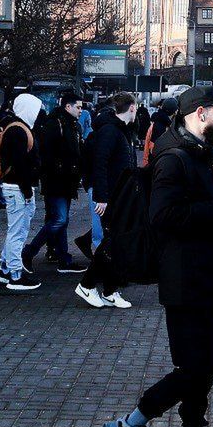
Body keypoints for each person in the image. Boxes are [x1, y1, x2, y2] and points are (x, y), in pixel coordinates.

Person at [101, 85, 213, 427]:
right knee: (192, 368)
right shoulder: (174, 158)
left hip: (206, 277)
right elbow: (163, 215)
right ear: (199, 114)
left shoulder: (198, 154)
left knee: (205, 367)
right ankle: (130, 424)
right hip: (186, 279)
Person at [76, 93, 139, 310]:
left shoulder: (117, 130)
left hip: (118, 193)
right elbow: (100, 163)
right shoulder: (111, 131)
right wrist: (101, 197)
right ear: (131, 108)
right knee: (112, 241)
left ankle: (109, 289)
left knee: (116, 240)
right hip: (111, 194)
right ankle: (89, 285)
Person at [23, 91, 85, 275]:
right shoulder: (56, 123)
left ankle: (64, 259)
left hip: (65, 179)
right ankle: (29, 252)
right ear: (68, 106)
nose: (81, 110)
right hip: (57, 179)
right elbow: (47, 153)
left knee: (60, 220)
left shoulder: (70, 124)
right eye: (78, 107)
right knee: (59, 219)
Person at [0, 93, 44, 291]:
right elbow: (20, 164)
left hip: (15, 187)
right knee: (17, 232)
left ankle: (5, 269)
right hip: (18, 188)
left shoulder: (15, 128)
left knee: (16, 230)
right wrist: (27, 190)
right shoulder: (19, 131)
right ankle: (14, 275)